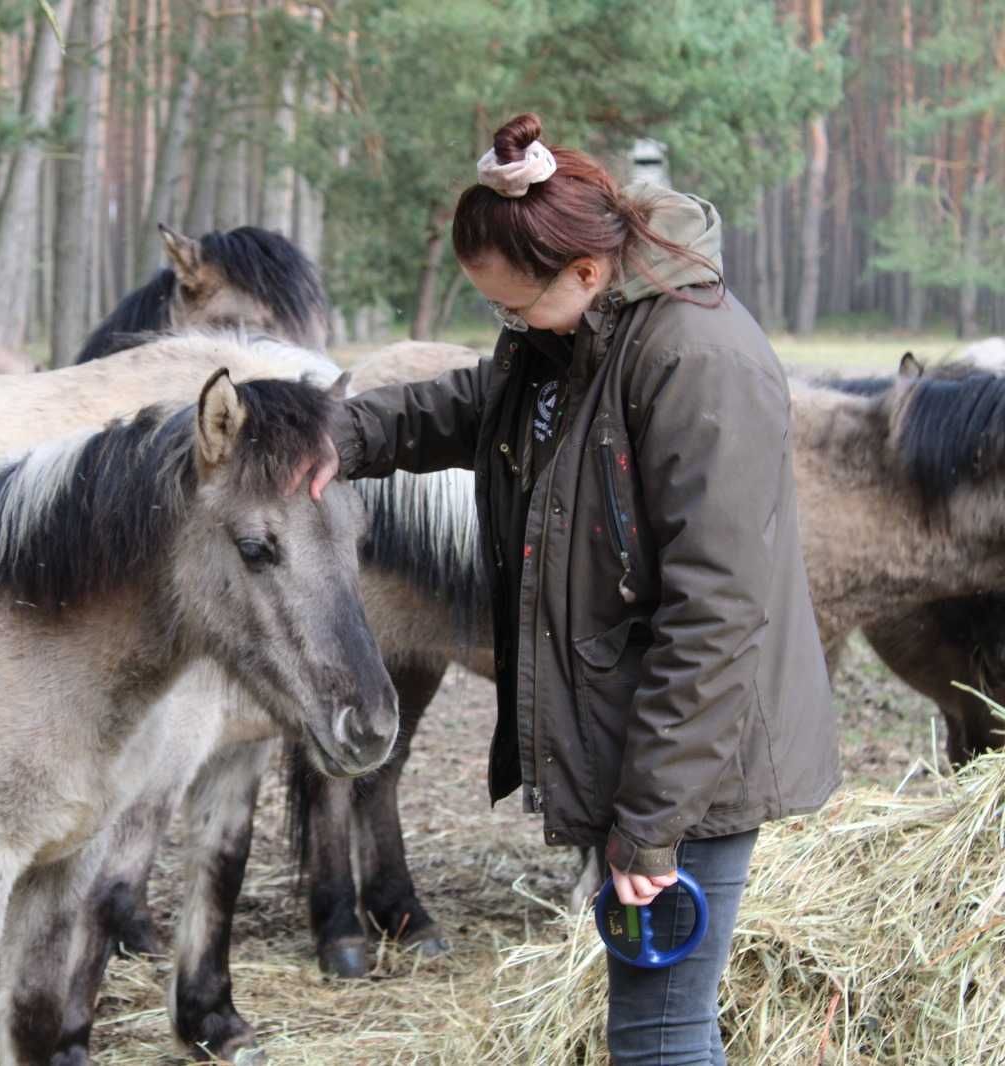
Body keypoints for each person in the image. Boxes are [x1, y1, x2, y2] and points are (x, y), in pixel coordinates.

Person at [311, 113, 840, 1064]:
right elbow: (483, 403)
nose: (507, 327)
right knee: (653, 1019)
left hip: (695, 760)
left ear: (587, 272)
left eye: (516, 308)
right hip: (639, 740)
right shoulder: (576, 336)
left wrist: (651, 825)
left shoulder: (699, 362)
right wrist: (346, 436)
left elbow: (717, 617)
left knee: (661, 1030)